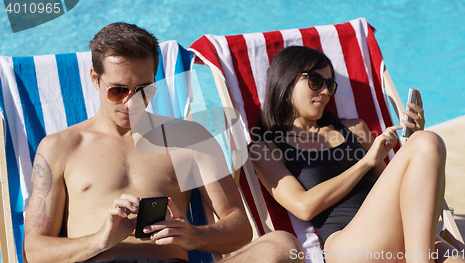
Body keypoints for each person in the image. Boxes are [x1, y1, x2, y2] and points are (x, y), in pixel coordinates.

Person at [23, 22, 303, 263]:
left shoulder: (189, 139)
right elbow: (34, 251)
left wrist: (194, 235)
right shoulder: (61, 147)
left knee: (281, 246)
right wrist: (101, 239)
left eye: (143, 90)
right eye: (118, 90)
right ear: (96, 79)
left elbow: (239, 227)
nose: (131, 102)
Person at [250, 46, 465, 263]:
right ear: (286, 81)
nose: (325, 92)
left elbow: (393, 190)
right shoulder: (265, 148)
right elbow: (303, 206)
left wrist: (416, 146)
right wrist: (365, 163)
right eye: (315, 81)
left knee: (456, 261)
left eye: (329, 84)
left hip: (399, 234)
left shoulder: (354, 128)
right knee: (427, 142)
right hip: (349, 247)